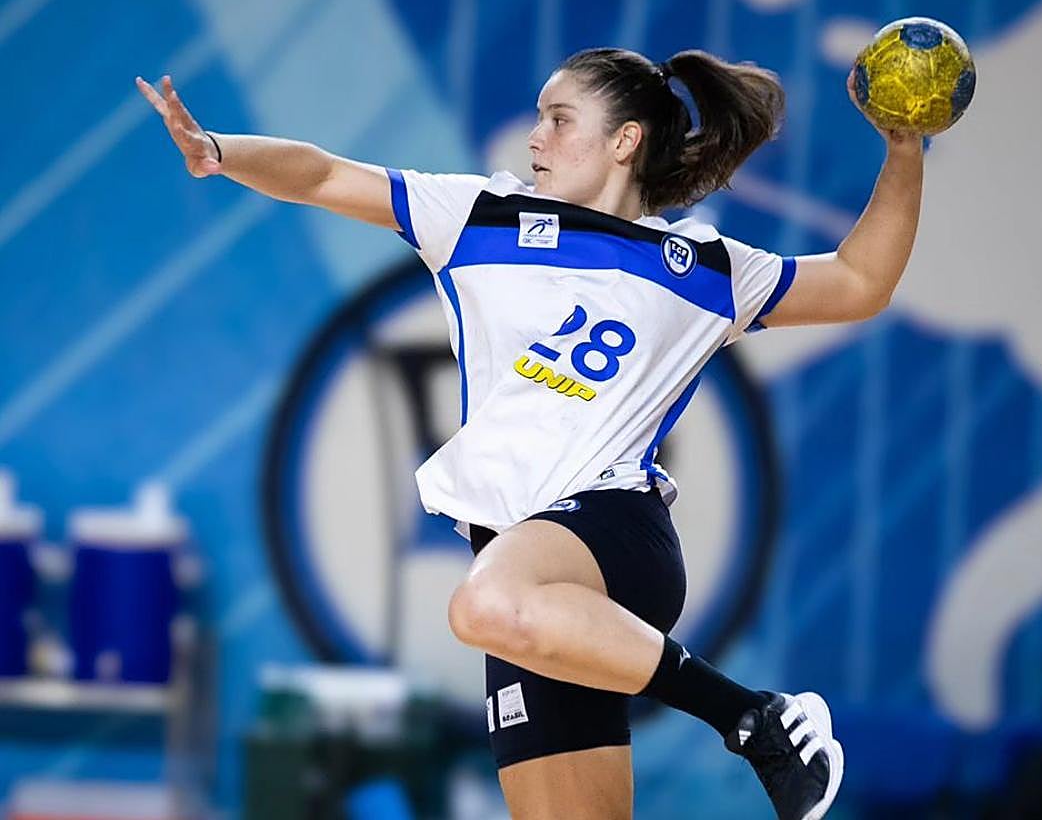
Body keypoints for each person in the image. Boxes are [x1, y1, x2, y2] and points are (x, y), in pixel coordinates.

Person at [138, 45, 923, 820]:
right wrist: (216, 152)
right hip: (531, 573)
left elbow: (860, 281)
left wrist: (903, 148)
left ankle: (757, 720)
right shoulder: (480, 216)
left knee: (482, 606)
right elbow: (320, 173)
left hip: (611, 533)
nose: (535, 139)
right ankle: (750, 718)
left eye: (559, 119)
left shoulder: (705, 267)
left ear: (624, 140)